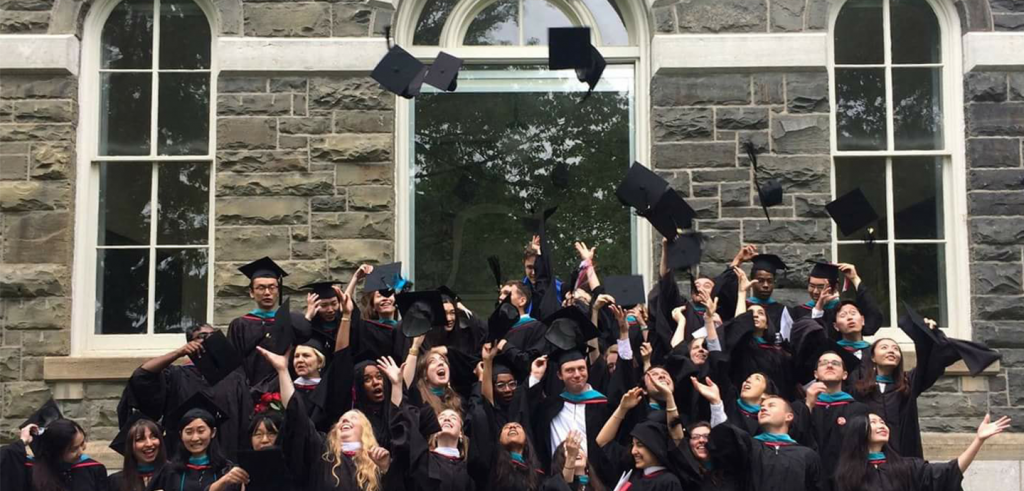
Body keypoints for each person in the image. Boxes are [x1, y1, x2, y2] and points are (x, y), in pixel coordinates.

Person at [260, 345, 397, 490]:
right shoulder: (323, 455)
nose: (345, 420)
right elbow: (297, 414)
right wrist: (282, 371)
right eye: (342, 420)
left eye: (353, 418)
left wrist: (386, 469)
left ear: (365, 431)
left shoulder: (376, 462)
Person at [127, 323, 252, 461]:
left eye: (213, 336)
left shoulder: (235, 379)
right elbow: (142, 376)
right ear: (190, 343)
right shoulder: (176, 375)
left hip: (226, 456)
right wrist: (178, 353)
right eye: (202, 336)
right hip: (183, 460)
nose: (208, 340)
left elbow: (245, 420)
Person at [834, 413, 1011, 491]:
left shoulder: (907, 467)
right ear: (859, 430)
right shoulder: (847, 475)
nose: (881, 425)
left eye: (882, 422)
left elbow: (949, 472)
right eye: (873, 422)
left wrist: (978, 440)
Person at [227, 257, 308, 388]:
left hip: (284, 389)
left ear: (278, 291)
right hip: (248, 392)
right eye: (261, 288)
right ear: (251, 293)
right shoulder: (239, 325)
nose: (267, 293)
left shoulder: (290, 323)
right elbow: (233, 364)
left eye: (272, 287)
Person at [147, 393, 250, 491]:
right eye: (189, 432)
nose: (195, 438)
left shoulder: (227, 471)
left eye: (201, 431)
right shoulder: (168, 472)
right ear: (181, 435)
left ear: (213, 432)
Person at [803, 351, 869, 486]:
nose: (829, 366)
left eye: (835, 363)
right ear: (815, 374)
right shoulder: (802, 408)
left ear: (845, 375)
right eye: (824, 363)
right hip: (810, 479)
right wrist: (808, 405)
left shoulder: (858, 409)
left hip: (846, 479)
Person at [0, 419, 110, 491]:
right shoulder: (31, 471)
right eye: (73, 449)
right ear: (56, 451)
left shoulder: (93, 469)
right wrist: (23, 441)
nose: (81, 450)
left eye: (82, 443)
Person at [107, 414, 167, 491]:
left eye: (153, 437)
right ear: (130, 447)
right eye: (140, 439)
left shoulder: (176, 475)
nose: (149, 444)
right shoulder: (116, 481)